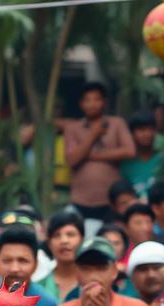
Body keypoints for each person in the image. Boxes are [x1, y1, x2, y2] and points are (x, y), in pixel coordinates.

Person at [62, 82, 136, 224]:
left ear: (104, 102)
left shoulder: (117, 124)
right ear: (81, 103)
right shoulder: (72, 128)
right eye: (87, 100)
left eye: (97, 99)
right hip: (80, 200)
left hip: (110, 200)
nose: (92, 104)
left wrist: (92, 155)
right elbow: (71, 160)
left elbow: (129, 151)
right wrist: (93, 135)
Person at [36, 210, 84, 301]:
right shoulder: (38, 288)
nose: (64, 241)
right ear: (49, 243)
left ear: (82, 240)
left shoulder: (90, 285)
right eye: (56, 235)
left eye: (70, 234)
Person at [119, 110, 160, 199]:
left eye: (150, 129)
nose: (147, 134)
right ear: (132, 134)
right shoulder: (125, 165)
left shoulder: (163, 159)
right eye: (142, 130)